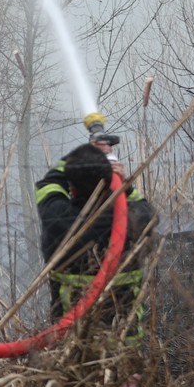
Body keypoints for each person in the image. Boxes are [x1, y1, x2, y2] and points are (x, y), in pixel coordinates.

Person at [35, 137, 156, 340]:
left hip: (71, 341)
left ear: (71, 188)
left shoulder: (57, 218)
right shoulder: (136, 220)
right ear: (110, 182)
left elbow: (49, 185)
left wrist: (79, 157)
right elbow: (140, 203)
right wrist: (121, 182)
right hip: (125, 344)